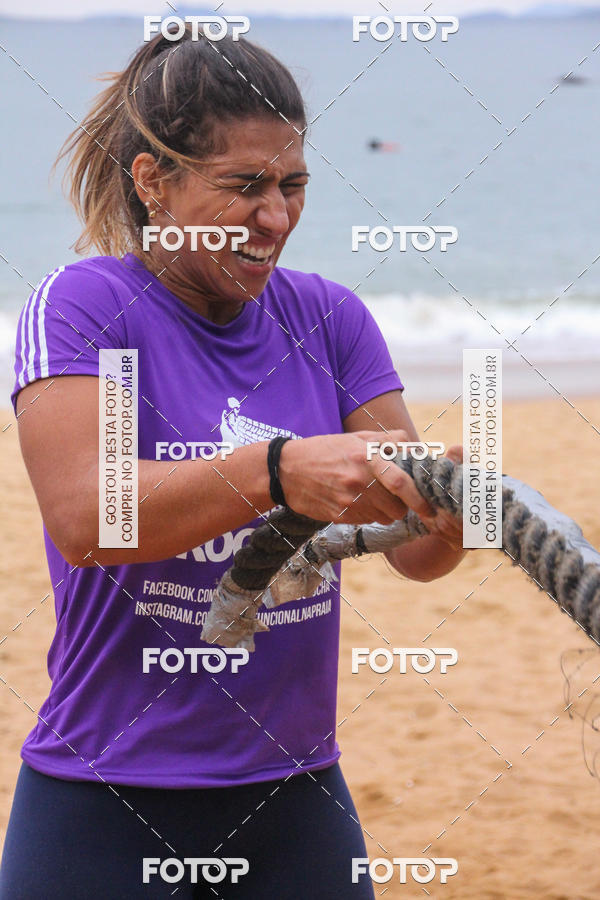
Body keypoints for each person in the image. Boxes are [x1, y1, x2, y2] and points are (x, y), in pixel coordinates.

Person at [0, 27, 466, 899]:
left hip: (295, 795)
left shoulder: (329, 320)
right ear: (153, 182)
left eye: (293, 187)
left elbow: (418, 553)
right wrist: (278, 470)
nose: (276, 218)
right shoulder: (89, 309)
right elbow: (91, 519)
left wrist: (450, 507)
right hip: (103, 797)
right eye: (244, 186)